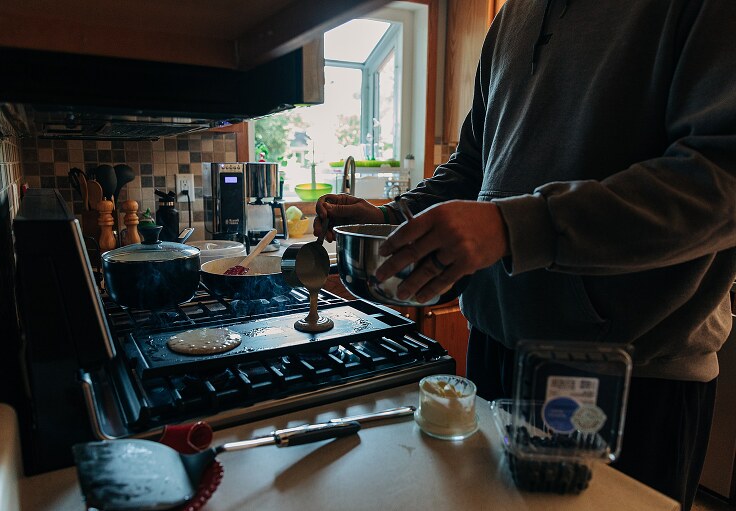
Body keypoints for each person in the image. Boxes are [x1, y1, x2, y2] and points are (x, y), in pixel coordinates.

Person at [313, 1, 736, 509]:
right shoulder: (516, 12)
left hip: (630, 371)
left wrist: (515, 227)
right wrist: (391, 218)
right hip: (495, 347)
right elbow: (476, 162)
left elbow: (720, 179)